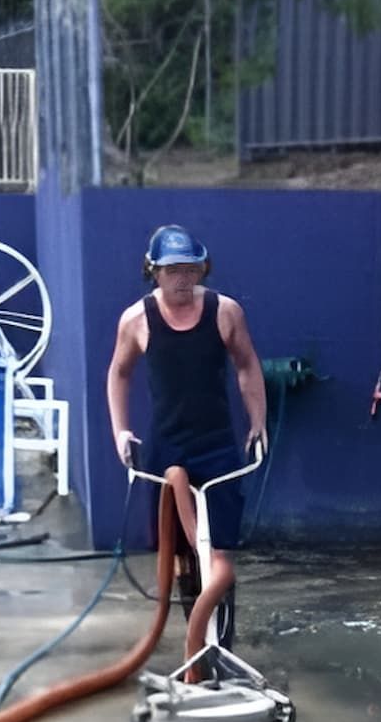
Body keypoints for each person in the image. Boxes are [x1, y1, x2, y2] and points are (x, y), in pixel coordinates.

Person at [106, 224, 267, 675]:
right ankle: (196, 652)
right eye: (172, 270)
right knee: (180, 555)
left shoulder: (225, 312)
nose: (182, 279)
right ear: (153, 272)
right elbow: (119, 373)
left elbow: (247, 364)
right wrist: (121, 431)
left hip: (216, 448)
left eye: (190, 269)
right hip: (167, 452)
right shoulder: (136, 320)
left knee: (220, 555)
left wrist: (258, 420)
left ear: (202, 269)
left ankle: (222, 652)